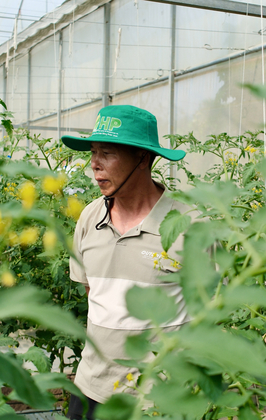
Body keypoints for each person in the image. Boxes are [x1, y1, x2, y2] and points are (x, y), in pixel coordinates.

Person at [60, 105, 192, 419]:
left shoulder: (188, 223)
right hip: (92, 389)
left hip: (157, 400)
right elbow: (94, 290)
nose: (94, 164)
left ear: (143, 158)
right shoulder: (90, 217)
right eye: (93, 152)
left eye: (107, 153)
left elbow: (210, 306)